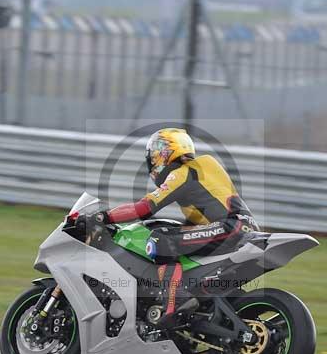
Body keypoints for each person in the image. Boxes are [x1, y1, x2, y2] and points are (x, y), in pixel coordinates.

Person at [90, 128, 259, 328]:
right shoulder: (205, 166)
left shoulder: (183, 173)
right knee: (177, 239)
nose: (151, 162)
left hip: (231, 227)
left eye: (153, 156)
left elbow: (145, 208)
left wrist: (104, 216)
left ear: (163, 153)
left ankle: (175, 300)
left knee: (160, 240)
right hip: (241, 228)